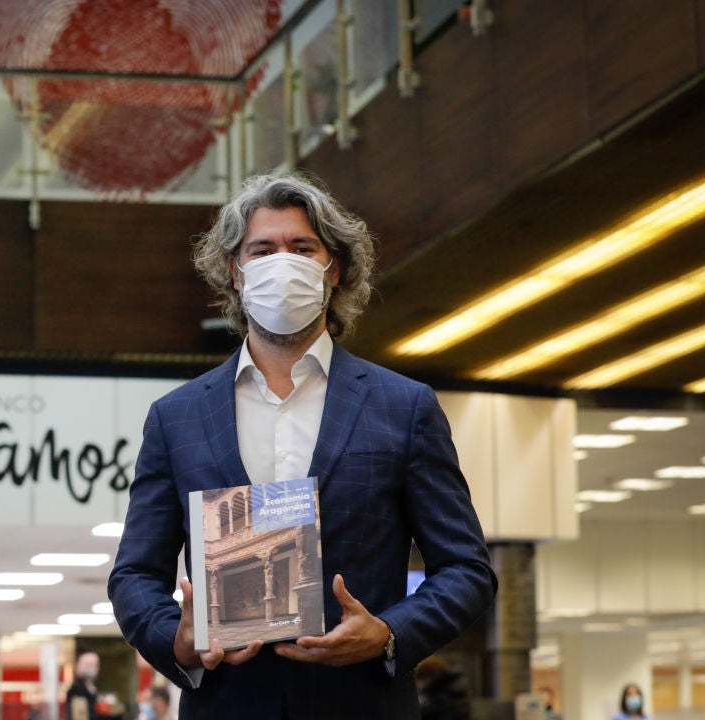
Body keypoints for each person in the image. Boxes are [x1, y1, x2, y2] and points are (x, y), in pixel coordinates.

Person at [107, 171, 497, 719]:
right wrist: (177, 638)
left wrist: (389, 633)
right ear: (235, 272)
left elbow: (466, 569)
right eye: (262, 250)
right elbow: (134, 575)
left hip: (362, 705)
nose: (281, 263)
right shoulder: (177, 418)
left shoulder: (403, 407)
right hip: (227, 705)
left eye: (302, 247)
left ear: (332, 268)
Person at [65, 651, 103, 720]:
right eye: (89, 665)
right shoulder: (77, 689)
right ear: (79, 666)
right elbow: (80, 715)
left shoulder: (91, 686)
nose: (93, 668)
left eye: (95, 665)